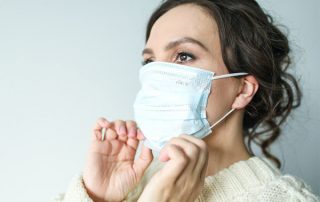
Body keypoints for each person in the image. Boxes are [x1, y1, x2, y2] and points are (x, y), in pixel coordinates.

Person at [53, 0, 320, 201]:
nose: (157, 75)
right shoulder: (129, 181)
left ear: (242, 90)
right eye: (150, 61)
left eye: (183, 56)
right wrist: (95, 196)